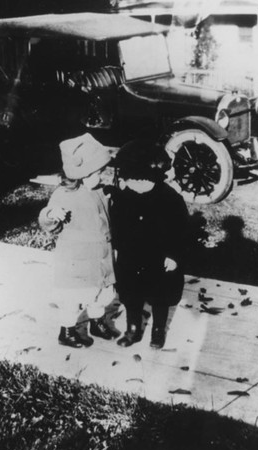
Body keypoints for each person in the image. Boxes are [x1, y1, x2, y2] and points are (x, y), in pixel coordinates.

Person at [39, 133, 118, 348]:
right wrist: (51, 215)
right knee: (73, 298)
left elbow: (107, 217)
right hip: (76, 260)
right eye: (97, 173)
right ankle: (67, 330)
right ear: (81, 173)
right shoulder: (64, 195)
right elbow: (47, 220)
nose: (101, 177)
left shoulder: (100, 191)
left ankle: (96, 322)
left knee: (100, 293)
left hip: (100, 256)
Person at [110, 140, 189, 349]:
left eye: (140, 181)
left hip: (159, 259)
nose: (135, 185)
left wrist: (174, 255)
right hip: (131, 257)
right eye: (131, 181)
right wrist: (116, 248)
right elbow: (116, 225)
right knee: (131, 295)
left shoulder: (170, 199)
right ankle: (133, 328)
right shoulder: (123, 197)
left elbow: (180, 231)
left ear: (153, 177)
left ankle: (158, 329)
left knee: (160, 296)